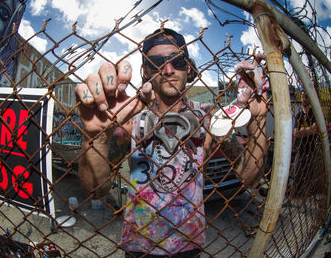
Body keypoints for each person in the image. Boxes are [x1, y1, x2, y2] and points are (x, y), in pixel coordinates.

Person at [75, 28, 268, 257]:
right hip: (139, 247)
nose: (168, 69)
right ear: (146, 71)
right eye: (157, 62)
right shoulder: (130, 118)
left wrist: (259, 119)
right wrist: (97, 137)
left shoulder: (208, 116)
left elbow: (248, 177)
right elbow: (95, 190)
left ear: (188, 66)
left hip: (189, 246)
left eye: (177, 61)